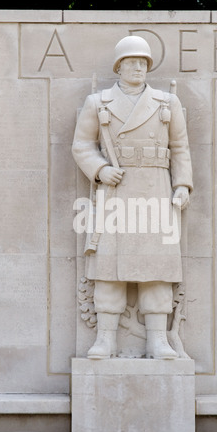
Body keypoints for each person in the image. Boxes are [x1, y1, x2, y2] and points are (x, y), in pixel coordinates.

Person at [72, 36, 193, 359]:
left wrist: (182, 185)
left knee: (157, 267)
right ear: (119, 67)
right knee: (109, 266)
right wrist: (99, 170)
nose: (138, 68)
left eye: (143, 63)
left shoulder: (167, 103)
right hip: (115, 193)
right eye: (131, 62)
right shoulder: (99, 102)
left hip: (155, 191)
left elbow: (180, 148)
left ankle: (157, 339)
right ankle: (106, 338)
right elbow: (82, 145)